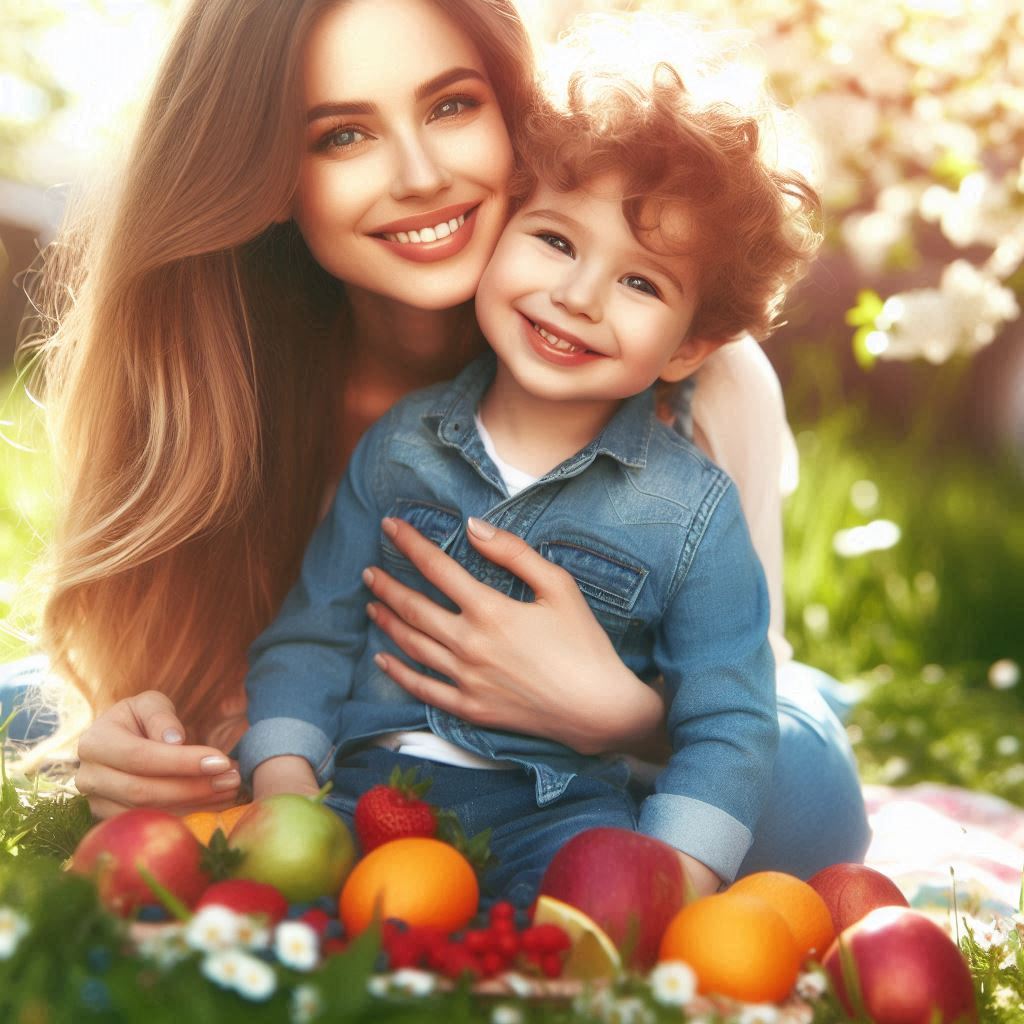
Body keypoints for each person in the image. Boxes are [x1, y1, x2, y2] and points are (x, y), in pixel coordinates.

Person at [7, 0, 869, 876]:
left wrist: (625, 716)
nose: (420, 177)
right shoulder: (223, 376)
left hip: (600, 771)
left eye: (451, 105)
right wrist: (146, 743)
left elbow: (738, 697)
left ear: (515, 117)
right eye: (343, 135)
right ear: (266, 176)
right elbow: (265, 666)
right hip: (368, 738)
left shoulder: (701, 383)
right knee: (21, 709)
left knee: (802, 793)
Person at [239, 49, 824, 903]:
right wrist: (284, 782)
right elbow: (313, 634)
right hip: (370, 792)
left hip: (556, 819)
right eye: (554, 240)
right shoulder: (402, 445)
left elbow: (729, 722)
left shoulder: (693, 513)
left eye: (640, 282)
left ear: (690, 348)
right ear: (500, 229)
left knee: (576, 936)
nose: (579, 296)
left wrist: (671, 879)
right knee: (282, 929)